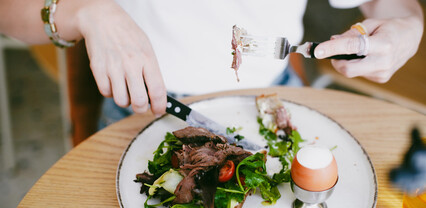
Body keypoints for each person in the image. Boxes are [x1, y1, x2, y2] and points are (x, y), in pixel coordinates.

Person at [0, 0, 424, 123]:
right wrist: (84, 12)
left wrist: (409, 25)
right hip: (146, 108)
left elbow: (385, 3)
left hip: (274, 100)